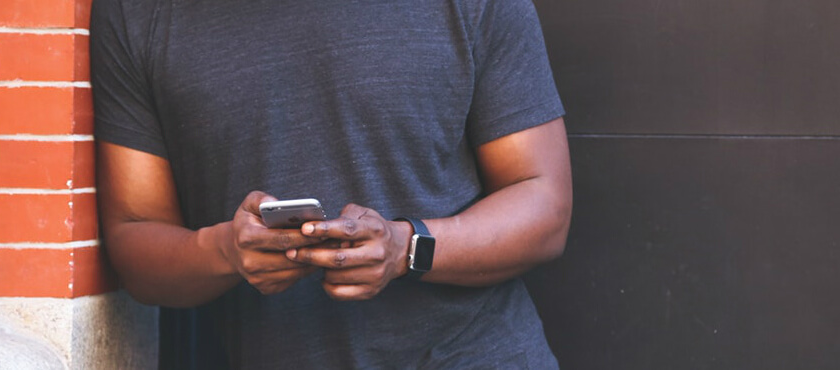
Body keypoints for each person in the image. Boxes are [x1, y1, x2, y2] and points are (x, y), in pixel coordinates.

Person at [89, 0, 572, 368]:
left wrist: (406, 246)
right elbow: (136, 240)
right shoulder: (137, 12)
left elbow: (544, 204)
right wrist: (223, 251)